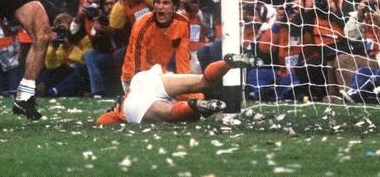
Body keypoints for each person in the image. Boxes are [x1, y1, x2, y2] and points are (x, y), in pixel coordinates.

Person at [97, 52, 260, 124]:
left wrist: (113, 115)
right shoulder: (133, 87)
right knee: (202, 81)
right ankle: (227, 63)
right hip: (145, 79)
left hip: (136, 106)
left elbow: (102, 121)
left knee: (171, 113)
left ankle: (195, 107)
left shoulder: (122, 111)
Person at [120, 0, 191, 92]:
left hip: (160, 75)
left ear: (175, 7)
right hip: (133, 77)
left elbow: (183, 61)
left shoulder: (183, 24)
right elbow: (138, 63)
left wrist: (185, 87)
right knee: (144, 105)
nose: (160, 7)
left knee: (193, 98)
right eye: (157, 2)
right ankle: (121, 104)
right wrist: (140, 88)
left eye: (166, 3)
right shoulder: (142, 25)